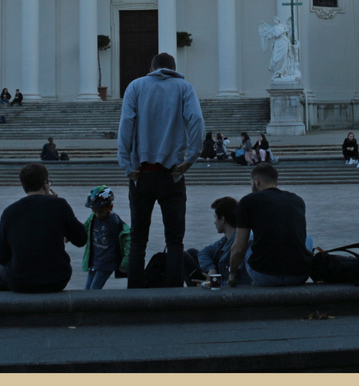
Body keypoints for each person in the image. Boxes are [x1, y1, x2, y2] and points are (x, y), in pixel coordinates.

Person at [117, 51, 205, 289]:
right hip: (172, 175)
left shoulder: (135, 86)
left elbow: (126, 124)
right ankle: (173, 293)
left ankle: (134, 292)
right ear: (173, 68)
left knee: (137, 239)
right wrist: (190, 159)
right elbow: (196, 120)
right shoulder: (184, 88)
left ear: (152, 68)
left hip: (141, 174)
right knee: (175, 241)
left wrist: (126, 165)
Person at [0, 162, 86, 293]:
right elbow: (81, 239)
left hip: (20, 282)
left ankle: (8, 309)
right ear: (45, 184)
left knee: (2, 268)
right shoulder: (60, 206)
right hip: (57, 279)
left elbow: (2, 258)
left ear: (24, 186)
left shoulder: (9, 212)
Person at [229, 163, 313, 287]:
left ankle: (241, 282)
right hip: (299, 275)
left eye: (251, 182)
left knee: (249, 237)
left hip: (264, 276)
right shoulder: (297, 200)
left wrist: (232, 272)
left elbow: (238, 248)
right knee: (308, 238)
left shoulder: (248, 201)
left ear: (256, 182)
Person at [82, 185, 129, 290]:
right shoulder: (93, 217)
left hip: (106, 263)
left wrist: (125, 263)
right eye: (94, 211)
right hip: (94, 260)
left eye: (100, 211)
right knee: (87, 289)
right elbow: (84, 228)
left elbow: (127, 240)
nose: (97, 214)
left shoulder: (115, 222)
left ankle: (92, 305)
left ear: (109, 207)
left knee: (94, 288)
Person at [198, 197, 246, 284]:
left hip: (222, 286)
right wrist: (211, 269)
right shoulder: (225, 240)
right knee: (192, 252)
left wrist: (213, 281)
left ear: (223, 219)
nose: (214, 222)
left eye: (216, 217)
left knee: (186, 258)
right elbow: (204, 252)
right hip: (218, 279)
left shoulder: (236, 243)